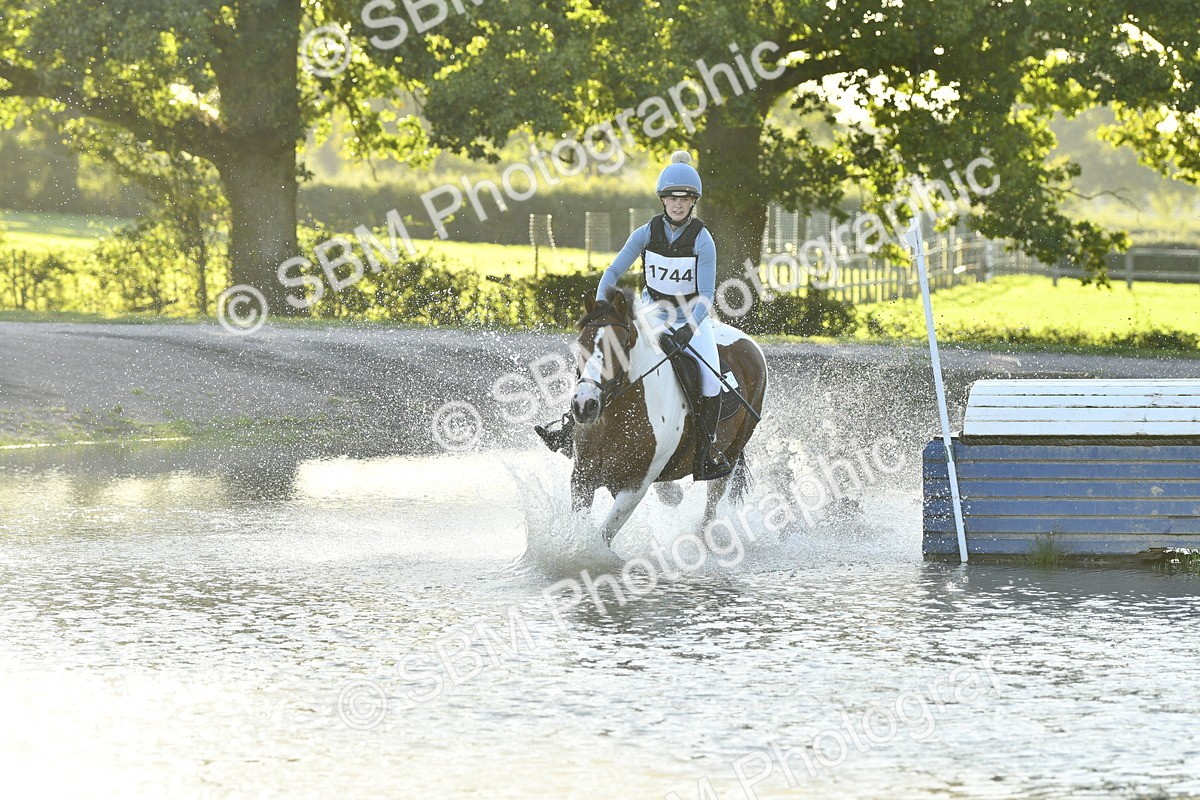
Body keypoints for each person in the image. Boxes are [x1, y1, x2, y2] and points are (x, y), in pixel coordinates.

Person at [536, 150, 732, 479]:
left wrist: (690, 328)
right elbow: (612, 272)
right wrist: (603, 311)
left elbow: (707, 294)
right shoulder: (646, 233)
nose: (678, 205)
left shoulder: (703, 240)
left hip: (691, 319)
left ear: (693, 202)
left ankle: (707, 450)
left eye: (684, 199)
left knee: (711, 381)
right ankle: (571, 427)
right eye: (672, 199)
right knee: (600, 352)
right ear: (663, 200)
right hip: (650, 314)